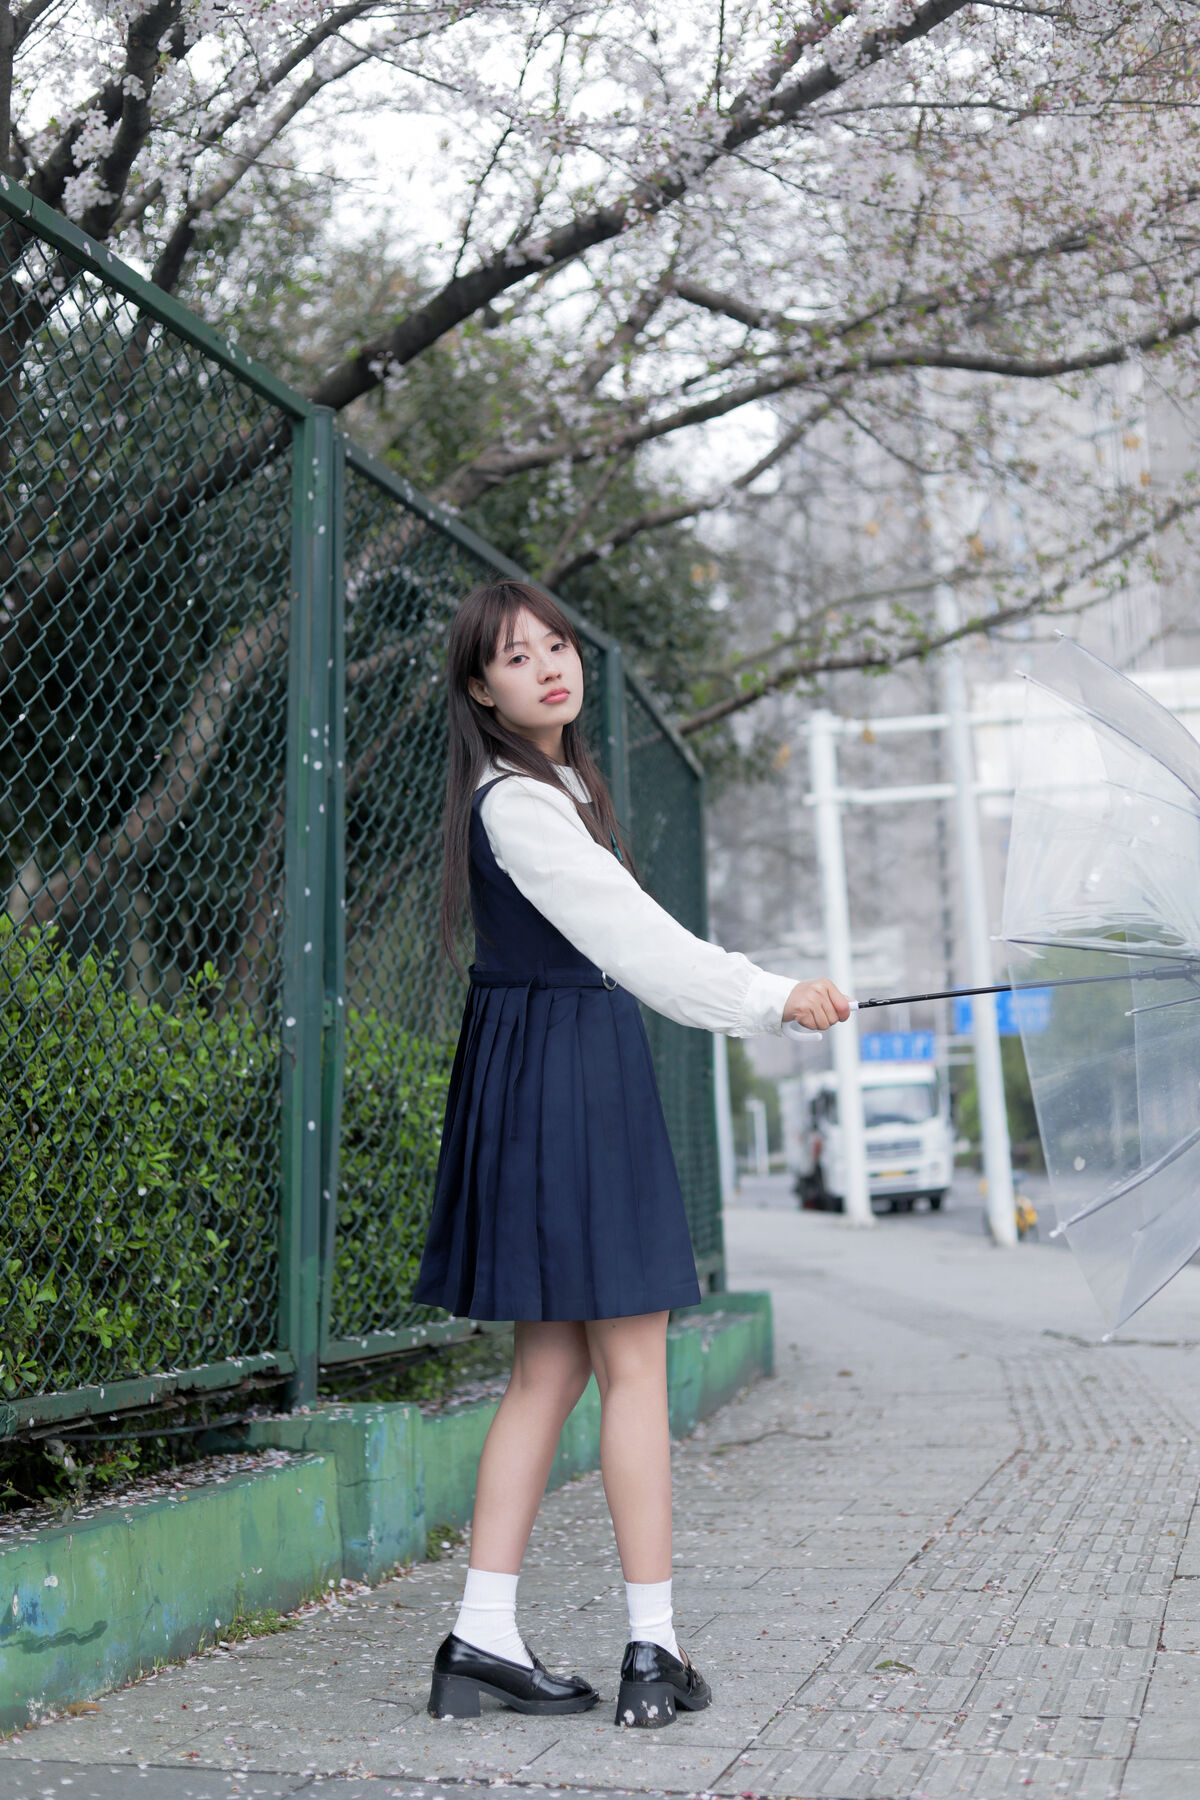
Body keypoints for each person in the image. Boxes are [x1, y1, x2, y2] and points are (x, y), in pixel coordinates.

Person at [415, 579, 850, 1729]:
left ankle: (482, 1638)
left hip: (544, 1077)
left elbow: (628, 939)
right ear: (481, 689)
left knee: (550, 1371)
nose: (550, 666)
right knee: (630, 1367)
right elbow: (639, 944)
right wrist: (772, 997)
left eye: (557, 645)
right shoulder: (520, 803)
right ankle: (652, 1650)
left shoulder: (548, 792)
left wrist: (768, 995)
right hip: (571, 1082)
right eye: (518, 656)